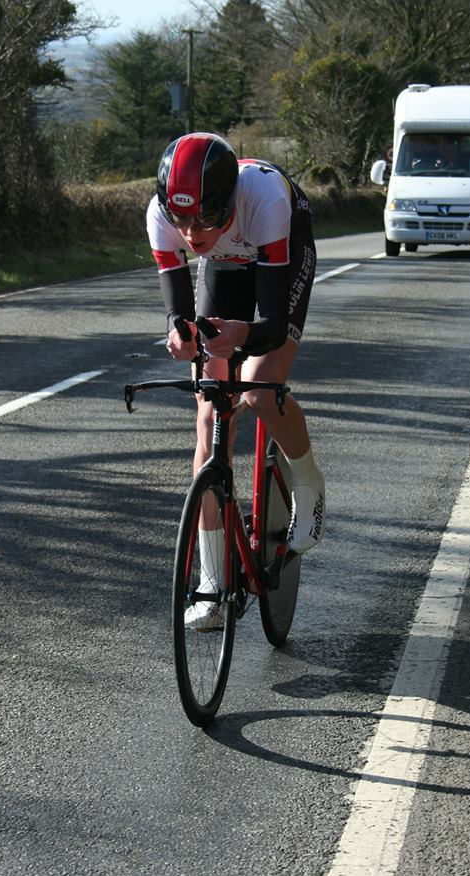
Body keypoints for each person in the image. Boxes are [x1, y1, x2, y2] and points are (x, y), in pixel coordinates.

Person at [146, 133, 324, 628]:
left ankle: (308, 483)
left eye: (203, 218)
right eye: (181, 219)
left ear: (225, 203)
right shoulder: (163, 218)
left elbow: (268, 320)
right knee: (208, 420)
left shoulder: (263, 198)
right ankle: (210, 581)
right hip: (224, 268)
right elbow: (178, 310)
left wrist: (244, 335)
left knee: (259, 387)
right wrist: (179, 334)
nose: (190, 231)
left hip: (279, 255)